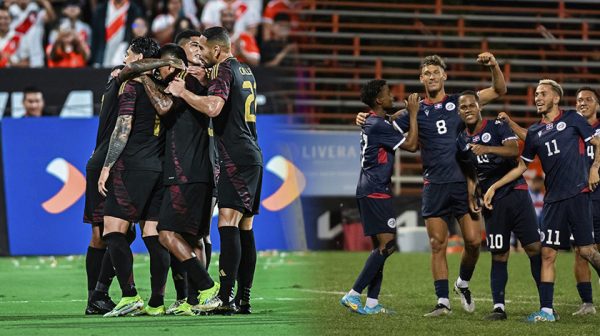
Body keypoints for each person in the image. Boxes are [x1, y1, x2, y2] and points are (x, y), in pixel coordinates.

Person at [357, 53, 506, 316]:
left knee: (473, 242)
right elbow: (380, 123)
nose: (432, 77)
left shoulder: (460, 103)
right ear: (421, 78)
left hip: (463, 183)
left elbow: (498, 90)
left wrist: (494, 65)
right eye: (427, 73)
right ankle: (442, 302)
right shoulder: (414, 110)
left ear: (444, 76)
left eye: (436, 72)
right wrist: (362, 117)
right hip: (434, 184)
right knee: (438, 244)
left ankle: (462, 283)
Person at [483, 79, 600, 323]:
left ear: (556, 98)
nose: (537, 98)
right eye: (536, 94)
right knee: (547, 254)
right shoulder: (535, 132)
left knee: (588, 251)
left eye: (542, 94)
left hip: (578, 196)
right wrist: (495, 185)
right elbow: (522, 166)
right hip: (553, 201)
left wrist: (595, 167)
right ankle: (546, 311)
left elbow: (597, 142)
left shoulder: (572, 119)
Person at [84, 37, 184, 315]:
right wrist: (166, 63)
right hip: (151, 166)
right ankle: (149, 300)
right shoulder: (148, 83)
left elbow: (123, 128)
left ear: (138, 57)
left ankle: (114, 295)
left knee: (111, 231)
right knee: (145, 234)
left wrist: (106, 165)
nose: (124, 59)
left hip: (120, 162)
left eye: (129, 54)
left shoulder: (133, 83)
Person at [166, 26, 263, 314]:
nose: (201, 53)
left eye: (204, 49)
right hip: (251, 154)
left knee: (227, 223)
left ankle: (223, 296)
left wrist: (183, 92)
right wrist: (200, 76)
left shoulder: (222, 70)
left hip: (234, 156)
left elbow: (213, 107)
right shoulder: (243, 69)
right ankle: (243, 298)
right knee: (244, 226)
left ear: (218, 50)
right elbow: (224, 89)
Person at [139, 42, 218, 316]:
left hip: (185, 173)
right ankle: (195, 300)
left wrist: (143, 77)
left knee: (166, 233)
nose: (157, 72)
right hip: (199, 171)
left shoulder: (184, 83)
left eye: (159, 67)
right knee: (192, 237)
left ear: (170, 66)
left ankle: (207, 286)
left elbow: (162, 107)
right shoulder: (190, 83)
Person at [455, 91, 542, 320]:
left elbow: (514, 150)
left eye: (472, 105)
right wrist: (473, 189)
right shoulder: (461, 139)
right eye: (463, 107)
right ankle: (499, 307)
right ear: (459, 112)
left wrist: (488, 149)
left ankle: (546, 305)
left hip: (516, 193)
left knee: (534, 248)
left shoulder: (496, 126)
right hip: (491, 201)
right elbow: (468, 168)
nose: (468, 109)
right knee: (499, 253)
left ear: (479, 106)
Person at [340, 80, 419, 315]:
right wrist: (413, 114)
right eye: (387, 94)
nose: (391, 96)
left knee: (380, 248)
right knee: (389, 245)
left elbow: (397, 116)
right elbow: (413, 145)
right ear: (378, 100)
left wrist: (414, 108)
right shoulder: (377, 124)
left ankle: (372, 303)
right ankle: (353, 294)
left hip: (371, 187)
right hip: (375, 189)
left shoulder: (378, 121)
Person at [571, 87, 600, 316]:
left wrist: (595, 167)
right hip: (580, 197)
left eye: (588, 99)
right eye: (579, 100)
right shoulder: (571, 130)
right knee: (581, 250)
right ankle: (587, 303)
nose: (583, 103)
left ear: (597, 105)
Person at [90, 0, 144, 67]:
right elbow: (94, 37)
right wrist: (95, 59)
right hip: (101, 60)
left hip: (124, 60)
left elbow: (137, 26)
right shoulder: (100, 9)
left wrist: (136, 27)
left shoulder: (135, 10)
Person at [8, 0, 56, 67]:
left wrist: (44, 2)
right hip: (16, 57)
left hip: (36, 57)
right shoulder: (10, 12)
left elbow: (51, 17)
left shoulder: (36, 11)